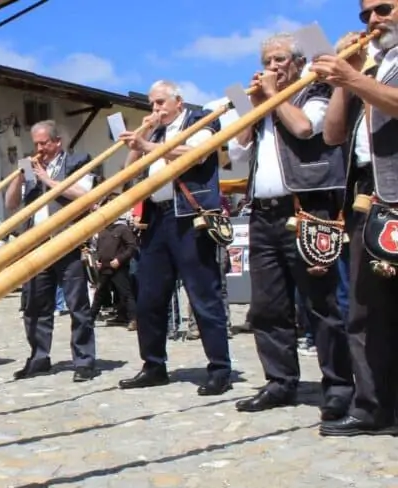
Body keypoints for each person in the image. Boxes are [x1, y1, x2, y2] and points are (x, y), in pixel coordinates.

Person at [225, 33, 353, 421]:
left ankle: (338, 386)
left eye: (279, 59)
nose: (272, 67)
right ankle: (279, 381)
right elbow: (238, 149)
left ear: (297, 63)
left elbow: (304, 129)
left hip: (306, 207)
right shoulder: (263, 101)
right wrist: (252, 105)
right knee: (268, 306)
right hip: (263, 213)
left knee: (320, 303)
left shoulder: (315, 92)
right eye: (267, 60)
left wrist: (273, 97)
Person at [116, 80, 232, 396]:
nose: (154, 110)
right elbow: (129, 170)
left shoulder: (201, 118)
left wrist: (150, 147)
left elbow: (195, 153)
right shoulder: (152, 133)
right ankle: (153, 365)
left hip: (189, 218)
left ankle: (220, 369)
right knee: (149, 297)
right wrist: (140, 137)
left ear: (178, 100)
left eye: (159, 103)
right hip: (156, 218)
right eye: (152, 104)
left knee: (203, 295)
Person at [312, 7, 398, 436]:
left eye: (384, 8)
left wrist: (355, 79)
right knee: (366, 313)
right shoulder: (374, 66)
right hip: (370, 197)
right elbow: (331, 135)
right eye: (366, 13)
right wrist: (345, 80)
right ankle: (372, 409)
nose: (372, 20)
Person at [4, 120, 99, 382]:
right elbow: (11, 205)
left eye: (44, 143)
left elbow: (85, 195)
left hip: (68, 241)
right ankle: (38, 357)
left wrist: (47, 178)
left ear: (58, 142)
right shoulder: (31, 169)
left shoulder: (79, 161)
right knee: (34, 305)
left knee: (77, 305)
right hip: (37, 244)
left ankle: (84, 360)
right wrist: (17, 178)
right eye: (35, 144)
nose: (39, 148)